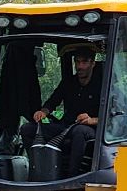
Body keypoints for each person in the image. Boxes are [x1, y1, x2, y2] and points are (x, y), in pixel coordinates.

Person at [30, 42, 108, 175]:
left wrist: (92, 120)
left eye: (84, 62)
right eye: (77, 62)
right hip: (67, 126)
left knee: (79, 131)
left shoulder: (104, 85)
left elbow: (115, 117)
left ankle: (72, 177)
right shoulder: (69, 82)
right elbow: (53, 101)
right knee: (28, 129)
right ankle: (37, 170)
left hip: (93, 130)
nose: (80, 66)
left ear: (93, 64)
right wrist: (42, 112)